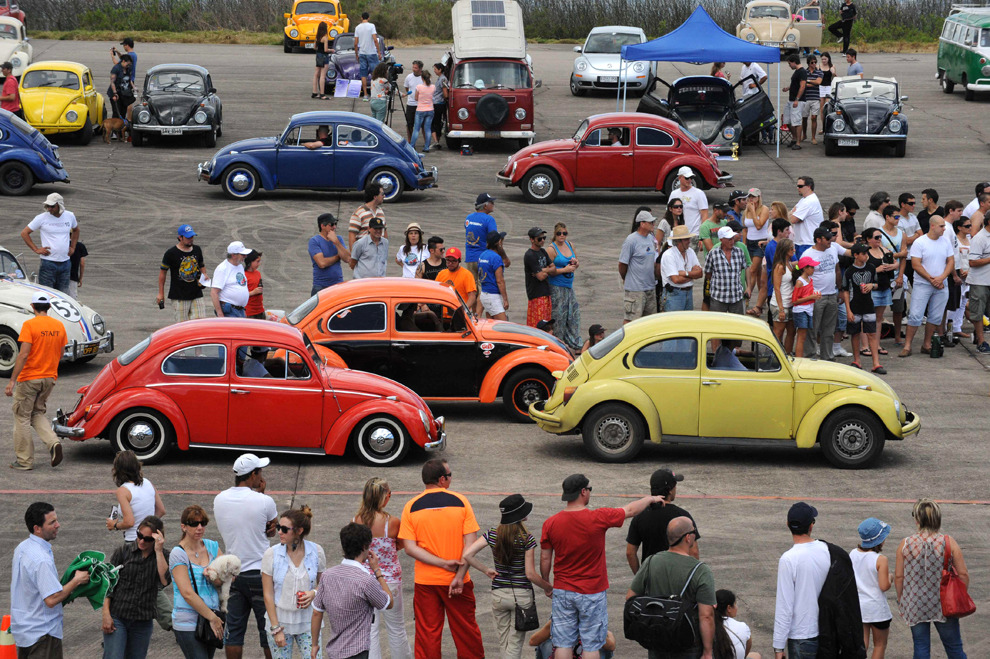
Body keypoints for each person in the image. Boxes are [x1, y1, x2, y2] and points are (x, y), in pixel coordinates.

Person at [541, 474, 666, 659]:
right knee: (591, 644)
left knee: (563, 643)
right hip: (592, 591)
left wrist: (546, 583)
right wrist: (650, 499)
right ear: (583, 492)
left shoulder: (550, 523)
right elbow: (630, 510)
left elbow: (545, 558)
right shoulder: (598, 517)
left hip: (563, 589)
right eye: (589, 489)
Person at [398, 459, 485, 659]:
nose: (451, 478)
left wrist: (441, 563)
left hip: (426, 582)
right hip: (459, 581)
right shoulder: (461, 501)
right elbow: (470, 545)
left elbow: (410, 549)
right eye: (450, 475)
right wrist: (458, 574)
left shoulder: (411, 507)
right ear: (442, 479)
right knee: (466, 633)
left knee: (427, 634)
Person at [461, 494, 553, 659]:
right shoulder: (527, 539)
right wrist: (548, 587)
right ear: (519, 515)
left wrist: (485, 570)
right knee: (515, 645)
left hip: (499, 594)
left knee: (505, 642)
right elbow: (530, 574)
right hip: (521, 596)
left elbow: (467, 554)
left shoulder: (493, 534)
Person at [214, 454, 279, 659]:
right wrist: (261, 493)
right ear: (253, 475)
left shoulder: (219, 499)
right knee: (268, 630)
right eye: (260, 472)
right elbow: (271, 529)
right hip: (260, 574)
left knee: (233, 633)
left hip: (232, 573)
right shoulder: (265, 501)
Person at [626, 516, 715, 659]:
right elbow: (706, 615)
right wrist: (708, 652)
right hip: (687, 642)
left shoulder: (650, 561)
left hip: (658, 638)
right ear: (687, 538)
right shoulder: (700, 570)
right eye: (694, 531)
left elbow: (630, 597)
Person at [11, 502, 90, 658]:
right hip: (43, 634)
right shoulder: (41, 559)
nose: (58, 525)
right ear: (37, 528)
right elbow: (52, 599)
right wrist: (76, 581)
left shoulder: (22, 547)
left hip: (24, 631)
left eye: (56, 520)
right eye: (52, 522)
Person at [895, 499, 969, 659]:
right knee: (954, 647)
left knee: (921, 646)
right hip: (944, 603)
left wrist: (901, 599)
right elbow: (963, 574)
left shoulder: (905, 544)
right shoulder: (949, 542)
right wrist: (960, 595)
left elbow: (899, 576)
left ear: (917, 520)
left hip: (916, 603)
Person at [312, 523, 394, 659]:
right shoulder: (366, 581)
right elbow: (388, 603)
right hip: (357, 651)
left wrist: (314, 645)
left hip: (334, 651)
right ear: (364, 547)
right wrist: (377, 571)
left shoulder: (327, 575)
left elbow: (316, 612)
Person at [6, 292, 67, 471]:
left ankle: (24, 460)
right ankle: (53, 442)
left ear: (32, 306)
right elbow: (61, 353)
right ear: (49, 307)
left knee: (22, 417)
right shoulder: (59, 326)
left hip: (30, 378)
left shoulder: (29, 325)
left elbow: (23, 354)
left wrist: (12, 380)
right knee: (37, 413)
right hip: (49, 378)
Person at [353, 478, 411, 659]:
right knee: (397, 628)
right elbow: (400, 544)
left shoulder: (356, 520)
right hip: (390, 580)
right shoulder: (392, 522)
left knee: (370, 630)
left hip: (366, 580)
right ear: (384, 497)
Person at [261, 506, 325, 659]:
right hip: (279, 621)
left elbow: (323, 584)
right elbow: (268, 594)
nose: (279, 532)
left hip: (309, 622)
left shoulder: (316, 551)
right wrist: (276, 629)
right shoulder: (271, 554)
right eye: (278, 527)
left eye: (284, 529)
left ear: (299, 531)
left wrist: (314, 593)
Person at [102, 516, 170, 659]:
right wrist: (106, 614)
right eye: (139, 535)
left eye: (148, 539)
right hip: (118, 616)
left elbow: (164, 581)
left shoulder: (164, 556)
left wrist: (158, 551)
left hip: (142, 621)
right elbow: (108, 586)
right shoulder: (123, 552)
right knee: (114, 656)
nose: (142, 541)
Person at [773, 502, 830, 659]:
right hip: (826, 632)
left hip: (801, 636)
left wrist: (778, 646)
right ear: (811, 526)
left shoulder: (788, 559)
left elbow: (785, 606)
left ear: (787, 524)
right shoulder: (826, 550)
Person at [170, 505, 225, 659]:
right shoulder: (178, 553)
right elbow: (187, 593)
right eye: (194, 524)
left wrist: (214, 577)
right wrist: (212, 618)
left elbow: (224, 580)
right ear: (184, 527)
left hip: (211, 619)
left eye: (203, 523)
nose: (199, 527)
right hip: (188, 622)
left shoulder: (212, 547)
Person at [900, 216, 954, 357]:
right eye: (941, 226)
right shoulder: (920, 242)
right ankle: (907, 346)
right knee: (916, 315)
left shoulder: (946, 242)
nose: (944, 229)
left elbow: (950, 262)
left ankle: (927, 344)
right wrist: (931, 279)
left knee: (935, 317)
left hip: (941, 284)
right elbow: (916, 264)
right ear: (933, 226)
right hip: (923, 284)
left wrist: (941, 278)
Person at [626, 468, 696, 574]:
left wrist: (640, 578)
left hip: (651, 577)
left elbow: (630, 552)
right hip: (676, 578)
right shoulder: (683, 517)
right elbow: (693, 552)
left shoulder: (640, 516)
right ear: (670, 490)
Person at [850, 518, 892, 659]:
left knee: (862, 643)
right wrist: (890, 578)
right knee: (880, 645)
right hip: (877, 609)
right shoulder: (881, 559)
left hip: (859, 607)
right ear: (880, 540)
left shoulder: (853, 554)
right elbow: (884, 585)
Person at [21, 193, 79, 294]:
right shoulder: (41, 218)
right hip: (48, 262)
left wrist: (73, 247)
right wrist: (36, 249)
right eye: (47, 206)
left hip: (65, 262)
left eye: (52, 206)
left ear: (59, 205)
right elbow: (24, 233)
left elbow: (76, 230)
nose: (49, 209)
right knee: (46, 293)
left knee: (64, 294)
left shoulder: (70, 216)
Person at [842, 243, 884, 373]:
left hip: (868, 305)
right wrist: (848, 310)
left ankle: (876, 363)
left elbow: (877, 283)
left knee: (872, 333)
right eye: (864, 254)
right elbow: (845, 291)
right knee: (855, 334)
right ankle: (857, 360)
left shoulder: (871, 268)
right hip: (854, 306)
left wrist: (872, 285)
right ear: (855, 255)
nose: (866, 256)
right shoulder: (849, 271)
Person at [105, 450, 165, 541]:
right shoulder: (148, 483)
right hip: (150, 539)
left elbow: (129, 522)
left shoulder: (123, 491)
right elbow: (161, 510)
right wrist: (147, 528)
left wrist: (114, 525)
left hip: (134, 540)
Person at [804, 227, 841, 360]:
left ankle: (827, 357)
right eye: (827, 238)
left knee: (829, 330)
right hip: (816, 297)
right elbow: (801, 274)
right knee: (812, 329)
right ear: (818, 240)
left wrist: (840, 289)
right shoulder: (808, 254)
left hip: (832, 294)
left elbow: (837, 270)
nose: (830, 240)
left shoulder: (833, 249)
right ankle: (810, 357)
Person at [158, 224, 207, 322]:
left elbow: (201, 265)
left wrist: (204, 275)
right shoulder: (171, 253)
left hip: (196, 293)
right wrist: (160, 293)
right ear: (180, 238)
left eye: (192, 237)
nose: (191, 239)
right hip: (179, 296)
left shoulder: (197, 250)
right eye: (188, 237)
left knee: (199, 323)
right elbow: (163, 273)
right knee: (182, 326)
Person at [861, 228, 898, 358]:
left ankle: (876, 344)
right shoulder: (865, 253)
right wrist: (877, 269)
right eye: (876, 237)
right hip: (871, 288)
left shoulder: (884, 251)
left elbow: (896, 263)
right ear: (868, 239)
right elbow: (862, 271)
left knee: (878, 318)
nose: (879, 240)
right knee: (867, 317)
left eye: (880, 237)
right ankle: (865, 346)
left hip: (884, 287)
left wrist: (892, 267)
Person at [546, 222, 581, 352]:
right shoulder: (551, 249)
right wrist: (565, 269)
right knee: (559, 316)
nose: (562, 236)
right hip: (556, 286)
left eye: (564, 233)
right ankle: (558, 343)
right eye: (559, 233)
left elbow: (576, 261)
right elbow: (549, 270)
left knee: (573, 315)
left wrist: (575, 263)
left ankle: (576, 343)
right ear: (555, 234)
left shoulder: (570, 245)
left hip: (569, 286)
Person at [619, 211, 660, 322]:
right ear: (642, 223)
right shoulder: (631, 240)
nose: (653, 224)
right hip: (635, 290)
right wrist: (626, 278)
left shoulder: (651, 238)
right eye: (651, 222)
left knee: (650, 322)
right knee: (632, 321)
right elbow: (622, 264)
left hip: (650, 288)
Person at [465, 193, 500, 310]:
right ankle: (478, 315)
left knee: (472, 288)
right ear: (485, 206)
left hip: (470, 258)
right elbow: (494, 238)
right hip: (483, 257)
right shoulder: (489, 219)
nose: (493, 205)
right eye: (491, 203)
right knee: (483, 288)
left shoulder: (468, 218)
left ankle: (473, 313)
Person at [705, 226, 748, 314]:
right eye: (729, 239)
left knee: (737, 325)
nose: (732, 241)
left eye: (732, 238)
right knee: (718, 325)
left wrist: (749, 287)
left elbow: (745, 268)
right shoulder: (713, 254)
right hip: (718, 297)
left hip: (736, 297)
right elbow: (708, 273)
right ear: (721, 240)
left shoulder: (739, 252)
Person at [660, 225, 703, 312]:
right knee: (674, 324)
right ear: (678, 241)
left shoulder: (690, 251)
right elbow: (676, 280)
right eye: (686, 239)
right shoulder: (669, 255)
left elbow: (700, 273)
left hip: (687, 292)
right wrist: (693, 275)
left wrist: (685, 273)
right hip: (674, 294)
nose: (689, 241)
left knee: (687, 324)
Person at [743, 188, 771, 315]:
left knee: (752, 270)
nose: (751, 199)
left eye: (753, 197)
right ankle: (762, 302)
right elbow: (745, 229)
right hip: (750, 242)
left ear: (759, 197)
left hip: (760, 242)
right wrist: (744, 244)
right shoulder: (746, 210)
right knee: (759, 274)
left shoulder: (763, 209)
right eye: (749, 197)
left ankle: (747, 297)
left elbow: (759, 225)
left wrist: (753, 211)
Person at [309, 213, 350, 295]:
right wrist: (338, 257)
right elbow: (322, 263)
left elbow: (347, 258)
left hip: (338, 284)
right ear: (322, 226)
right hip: (321, 286)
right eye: (331, 225)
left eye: (335, 224)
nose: (334, 227)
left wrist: (336, 242)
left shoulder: (338, 239)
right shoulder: (314, 241)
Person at [714, 590, 761, 659]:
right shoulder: (742, 627)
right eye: (735, 604)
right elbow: (746, 650)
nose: (737, 607)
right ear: (729, 608)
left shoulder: (707, 627)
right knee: (756, 656)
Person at [211, 241, 253, 318]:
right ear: (233, 255)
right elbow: (214, 292)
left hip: (240, 310)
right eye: (242, 254)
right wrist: (220, 314)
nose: (245, 256)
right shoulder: (223, 268)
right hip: (229, 310)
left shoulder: (240, 266)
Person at [792, 256, 823, 359]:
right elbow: (795, 300)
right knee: (801, 336)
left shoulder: (809, 280)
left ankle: (800, 358)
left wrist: (815, 296)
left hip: (808, 310)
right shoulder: (799, 282)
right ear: (805, 268)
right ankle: (799, 359)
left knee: (803, 336)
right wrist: (812, 297)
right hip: (801, 311)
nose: (814, 269)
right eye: (812, 267)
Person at [667, 167, 709, 239]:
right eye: (687, 178)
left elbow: (704, 215)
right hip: (679, 235)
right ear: (679, 178)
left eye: (691, 178)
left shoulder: (699, 193)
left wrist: (702, 236)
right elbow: (670, 213)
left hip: (694, 235)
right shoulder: (674, 194)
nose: (689, 180)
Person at [968, 214, 990, 352]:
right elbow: (972, 262)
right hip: (980, 281)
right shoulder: (980, 238)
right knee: (977, 311)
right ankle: (981, 341)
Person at [526, 227, 556, 328]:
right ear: (532, 239)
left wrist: (543, 270)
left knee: (547, 324)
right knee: (538, 325)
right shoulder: (530, 255)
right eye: (539, 239)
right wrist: (547, 269)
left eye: (544, 238)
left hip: (546, 292)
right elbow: (540, 277)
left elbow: (553, 268)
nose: (542, 240)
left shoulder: (543, 252)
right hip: (536, 295)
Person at [770, 238, 797, 353]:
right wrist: (781, 309)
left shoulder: (790, 264)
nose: (794, 250)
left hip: (790, 303)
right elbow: (776, 288)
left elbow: (800, 263)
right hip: (780, 304)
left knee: (792, 332)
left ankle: (787, 355)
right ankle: (774, 357)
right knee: (778, 332)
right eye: (792, 248)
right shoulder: (779, 266)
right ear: (785, 250)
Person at [478, 230, 509, 320]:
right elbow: (500, 281)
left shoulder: (482, 255)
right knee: (503, 327)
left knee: (491, 325)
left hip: (484, 294)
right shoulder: (496, 258)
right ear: (498, 242)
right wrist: (505, 300)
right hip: (493, 296)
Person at [789, 176, 824, 256]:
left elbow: (792, 219)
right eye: (797, 186)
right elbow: (791, 215)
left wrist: (794, 215)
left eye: (800, 186)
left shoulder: (809, 201)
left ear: (809, 187)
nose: (798, 188)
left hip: (807, 242)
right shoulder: (804, 200)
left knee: (804, 267)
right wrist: (795, 216)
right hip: (801, 242)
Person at [437, 246, 479, 311]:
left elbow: (472, 296)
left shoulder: (467, 275)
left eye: (454, 261)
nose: (450, 263)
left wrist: (464, 310)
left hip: (459, 314)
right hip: (442, 315)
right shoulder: (441, 274)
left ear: (459, 261)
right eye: (448, 260)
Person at [348, 182, 387, 249]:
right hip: (364, 256)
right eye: (382, 194)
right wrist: (354, 256)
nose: (384, 196)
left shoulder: (381, 212)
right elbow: (352, 236)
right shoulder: (359, 213)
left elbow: (384, 233)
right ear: (375, 197)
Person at [354, 12, 383, 100]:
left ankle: (365, 95)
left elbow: (355, 43)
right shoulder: (371, 26)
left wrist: (356, 54)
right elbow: (375, 40)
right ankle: (376, 93)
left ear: (361, 18)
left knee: (363, 74)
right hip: (371, 53)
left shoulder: (357, 27)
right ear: (368, 18)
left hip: (362, 53)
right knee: (376, 73)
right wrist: (379, 52)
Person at [782, 56, 807, 149]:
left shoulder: (802, 72)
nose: (789, 65)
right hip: (791, 99)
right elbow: (796, 84)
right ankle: (794, 138)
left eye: (789, 63)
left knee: (797, 121)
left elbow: (802, 86)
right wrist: (789, 88)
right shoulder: (796, 72)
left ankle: (798, 143)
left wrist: (797, 99)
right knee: (787, 120)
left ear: (794, 62)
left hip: (798, 100)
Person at [412, 71, 435, 153]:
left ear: (422, 78)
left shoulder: (419, 87)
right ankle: (426, 147)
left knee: (416, 129)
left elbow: (416, 98)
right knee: (427, 129)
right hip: (430, 109)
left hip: (420, 109)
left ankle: (412, 146)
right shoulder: (433, 87)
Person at [108, 53, 135, 123]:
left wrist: (133, 87)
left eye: (130, 64)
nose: (128, 66)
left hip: (124, 94)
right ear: (123, 61)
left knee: (123, 112)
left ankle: (120, 128)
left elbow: (129, 80)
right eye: (127, 64)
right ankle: (114, 130)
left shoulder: (128, 69)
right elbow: (112, 82)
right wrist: (114, 93)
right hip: (116, 93)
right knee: (117, 112)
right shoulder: (116, 68)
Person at [801, 55, 822, 145]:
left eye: (815, 62)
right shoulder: (804, 72)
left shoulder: (819, 72)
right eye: (812, 62)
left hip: (815, 98)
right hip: (806, 98)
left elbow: (818, 82)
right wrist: (812, 83)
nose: (814, 64)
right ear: (808, 63)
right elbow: (802, 84)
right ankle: (804, 134)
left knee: (814, 117)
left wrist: (808, 81)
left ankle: (813, 137)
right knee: (804, 118)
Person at [403, 60, 424, 142]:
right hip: (411, 104)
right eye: (413, 67)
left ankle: (426, 143)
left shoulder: (423, 77)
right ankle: (410, 141)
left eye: (415, 68)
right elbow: (407, 88)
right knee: (409, 124)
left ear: (420, 69)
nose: (413, 69)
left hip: (421, 104)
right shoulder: (409, 77)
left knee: (423, 124)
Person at [431, 63, 449, 149]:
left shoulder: (443, 79)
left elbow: (445, 94)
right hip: (437, 102)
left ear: (440, 70)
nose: (434, 71)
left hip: (438, 103)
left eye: (435, 69)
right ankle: (436, 140)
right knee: (436, 122)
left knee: (435, 122)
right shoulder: (440, 78)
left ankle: (436, 141)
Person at [244, 251, 265, 320]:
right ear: (250, 262)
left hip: (260, 309)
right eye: (257, 261)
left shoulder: (258, 273)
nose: (259, 264)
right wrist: (253, 292)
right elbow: (239, 294)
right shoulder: (243, 275)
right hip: (249, 312)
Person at [312, 22, 330, 99]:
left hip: (318, 56)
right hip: (324, 56)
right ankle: (322, 94)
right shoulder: (325, 37)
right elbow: (326, 49)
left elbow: (314, 47)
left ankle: (314, 92)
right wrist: (331, 50)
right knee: (323, 75)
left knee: (316, 75)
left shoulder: (317, 37)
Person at [818, 53, 837, 118]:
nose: (824, 61)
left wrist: (833, 73)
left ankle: (827, 121)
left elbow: (835, 78)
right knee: (822, 108)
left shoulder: (832, 66)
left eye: (825, 59)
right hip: (821, 87)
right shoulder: (819, 66)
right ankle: (823, 125)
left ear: (828, 59)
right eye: (822, 59)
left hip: (828, 87)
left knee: (828, 106)